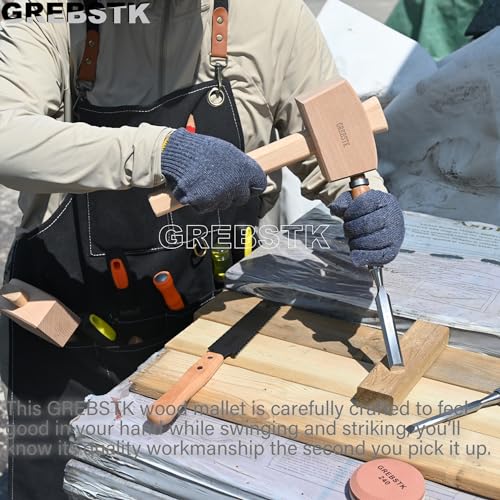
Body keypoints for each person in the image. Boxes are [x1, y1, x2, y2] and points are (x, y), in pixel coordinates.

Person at [0, 0, 405, 498]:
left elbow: (331, 133)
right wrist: (160, 152)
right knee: (58, 483)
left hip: (213, 326)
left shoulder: (274, 14)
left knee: (201, 481)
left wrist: (363, 193)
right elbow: (6, 135)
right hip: (72, 326)